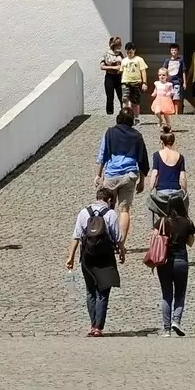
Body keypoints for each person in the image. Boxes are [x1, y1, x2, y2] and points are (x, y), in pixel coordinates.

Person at [66, 183, 123, 336]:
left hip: (87, 257)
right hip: (105, 257)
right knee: (103, 292)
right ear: (110, 200)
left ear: (97, 198)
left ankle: (93, 325)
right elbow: (117, 238)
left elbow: (76, 236)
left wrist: (70, 257)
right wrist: (122, 252)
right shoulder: (111, 214)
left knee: (90, 291)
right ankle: (99, 327)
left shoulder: (84, 213)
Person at [94, 107, 149, 250]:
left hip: (111, 175)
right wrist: (142, 181)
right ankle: (121, 244)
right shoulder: (137, 135)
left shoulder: (110, 133)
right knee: (124, 210)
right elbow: (142, 159)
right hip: (129, 176)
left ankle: (105, 241)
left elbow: (103, 155)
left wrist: (98, 175)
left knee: (106, 208)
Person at [150, 193, 195, 336]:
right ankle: (176, 320)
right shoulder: (187, 222)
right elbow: (191, 243)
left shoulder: (162, 222)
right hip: (181, 261)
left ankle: (166, 329)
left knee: (166, 294)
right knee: (180, 294)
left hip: (164, 261)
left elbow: (153, 238)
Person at [150, 127, 188, 203]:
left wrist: (151, 189)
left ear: (162, 142)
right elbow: (183, 177)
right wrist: (185, 191)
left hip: (161, 191)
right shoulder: (180, 156)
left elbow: (154, 174)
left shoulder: (157, 155)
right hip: (176, 191)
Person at [119, 42, 149, 112]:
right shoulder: (124, 60)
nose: (129, 54)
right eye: (128, 52)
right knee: (125, 99)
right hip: (125, 82)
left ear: (134, 50)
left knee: (135, 102)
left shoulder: (139, 59)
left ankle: (136, 118)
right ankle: (124, 116)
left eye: (131, 52)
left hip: (136, 83)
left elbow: (143, 71)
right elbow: (121, 71)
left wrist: (144, 83)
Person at [100, 36, 124, 115]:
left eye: (119, 45)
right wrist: (113, 67)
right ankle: (109, 113)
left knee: (121, 96)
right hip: (110, 76)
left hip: (119, 77)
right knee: (110, 96)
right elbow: (102, 66)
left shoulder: (120, 54)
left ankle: (123, 112)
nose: (119, 47)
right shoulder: (107, 54)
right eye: (117, 45)